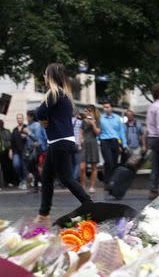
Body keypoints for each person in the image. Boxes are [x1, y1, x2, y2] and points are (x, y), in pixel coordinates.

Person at [35, 63, 92, 225]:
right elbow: (46, 115)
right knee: (46, 177)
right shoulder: (63, 95)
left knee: (66, 178)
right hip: (59, 142)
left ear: (51, 77)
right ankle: (43, 214)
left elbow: (39, 112)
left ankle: (88, 204)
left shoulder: (54, 93)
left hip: (60, 142)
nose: (44, 77)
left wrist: (43, 119)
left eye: (46, 75)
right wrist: (46, 120)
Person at [99, 101, 127, 188]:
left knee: (114, 163)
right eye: (104, 107)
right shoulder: (100, 118)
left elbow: (121, 132)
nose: (106, 109)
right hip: (104, 141)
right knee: (108, 161)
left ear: (111, 108)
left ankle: (112, 182)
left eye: (107, 107)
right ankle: (107, 182)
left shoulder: (117, 118)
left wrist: (124, 144)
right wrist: (98, 140)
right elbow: (98, 129)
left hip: (115, 142)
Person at [23, 110, 48, 193]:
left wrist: (29, 133)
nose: (26, 118)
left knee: (34, 168)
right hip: (30, 150)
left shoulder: (36, 125)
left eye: (27, 116)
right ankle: (40, 185)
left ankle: (38, 186)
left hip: (36, 150)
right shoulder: (29, 125)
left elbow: (37, 139)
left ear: (31, 117)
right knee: (33, 168)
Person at [79, 105, 101, 193]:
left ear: (92, 112)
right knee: (82, 167)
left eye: (88, 111)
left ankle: (92, 187)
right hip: (85, 144)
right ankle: (83, 186)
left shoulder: (97, 121)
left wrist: (93, 123)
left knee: (94, 166)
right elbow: (80, 133)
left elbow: (97, 132)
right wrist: (80, 143)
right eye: (85, 111)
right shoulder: (83, 121)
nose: (86, 113)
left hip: (93, 143)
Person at [9, 114, 28, 189]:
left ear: (23, 119)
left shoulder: (26, 128)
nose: (19, 119)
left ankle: (24, 181)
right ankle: (21, 179)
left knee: (24, 167)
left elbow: (31, 137)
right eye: (18, 118)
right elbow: (12, 141)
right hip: (16, 151)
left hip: (25, 151)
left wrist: (26, 136)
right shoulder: (15, 129)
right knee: (16, 165)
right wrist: (10, 150)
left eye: (20, 118)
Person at [0, 120, 15, 187]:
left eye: (1, 123)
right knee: (5, 167)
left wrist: (10, 149)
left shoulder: (7, 131)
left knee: (7, 167)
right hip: (2, 151)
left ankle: (8, 181)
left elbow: (11, 141)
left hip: (6, 151)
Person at [71, 111, 83, 180]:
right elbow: (81, 134)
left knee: (71, 163)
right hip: (77, 143)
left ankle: (70, 178)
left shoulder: (67, 121)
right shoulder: (80, 122)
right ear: (77, 115)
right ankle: (74, 179)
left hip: (70, 144)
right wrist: (80, 145)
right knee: (77, 163)